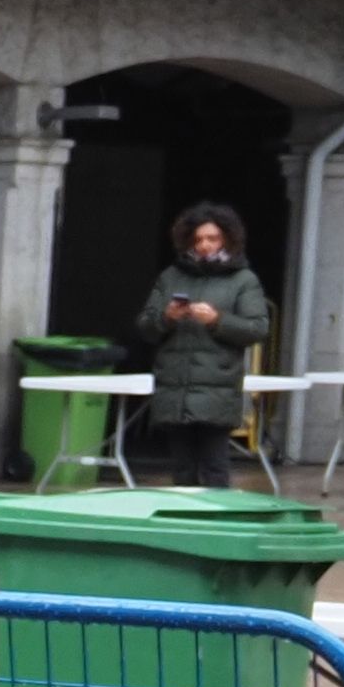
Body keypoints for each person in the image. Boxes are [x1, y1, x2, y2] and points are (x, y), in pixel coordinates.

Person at [135, 202, 272, 487]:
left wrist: (217, 320)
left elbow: (257, 328)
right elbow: (146, 327)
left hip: (217, 388)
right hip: (175, 387)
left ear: (227, 239)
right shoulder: (171, 276)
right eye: (198, 239)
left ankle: (216, 524)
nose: (204, 245)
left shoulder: (243, 280)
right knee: (181, 470)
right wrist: (167, 317)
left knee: (214, 468)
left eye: (212, 238)